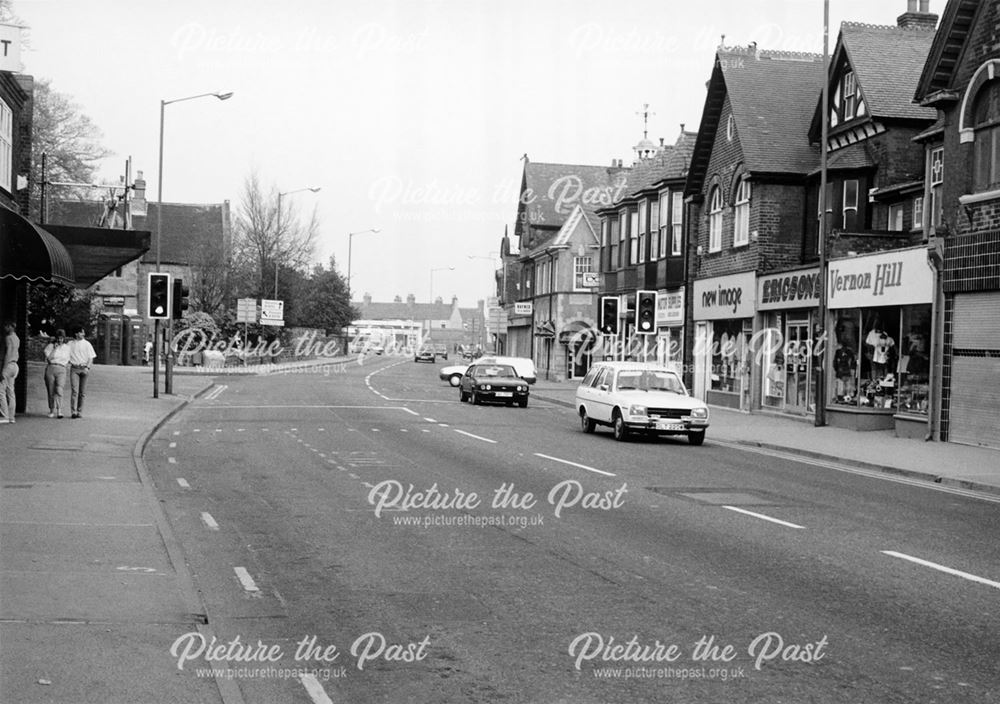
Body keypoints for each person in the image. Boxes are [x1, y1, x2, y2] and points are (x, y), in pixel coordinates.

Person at [67, 326, 97, 419]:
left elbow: (91, 357)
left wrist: (87, 367)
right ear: (76, 334)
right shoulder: (70, 344)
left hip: (84, 368)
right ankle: (73, 411)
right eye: (81, 332)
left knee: (82, 392)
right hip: (74, 368)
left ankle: (80, 411)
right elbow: (64, 353)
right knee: (74, 391)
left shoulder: (87, 344)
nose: (83, 334)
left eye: (83, 332)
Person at [43, 329, 72, 418]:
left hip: (61, 369)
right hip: (51, 367)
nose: (60, 340)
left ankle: (59, 410)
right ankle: (51, 410)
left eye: (62, 338)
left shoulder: (67, 347)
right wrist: (54, 349)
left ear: (64, 338)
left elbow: (69, 359)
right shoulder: (50, 346)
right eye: (58, 338)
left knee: (59, 389)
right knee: (51, 390)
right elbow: (49, 359)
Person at [0, 321, 19, 423]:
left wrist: (3, 368)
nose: (5, 328)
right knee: (11, 392)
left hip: (8, 365)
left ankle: (4, 415)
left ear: (10, 327)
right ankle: (12, 417)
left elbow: (8, 353)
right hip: (15, 365)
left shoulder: (8, 338)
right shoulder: (17, 338)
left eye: (6, 326)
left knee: (1, 390)